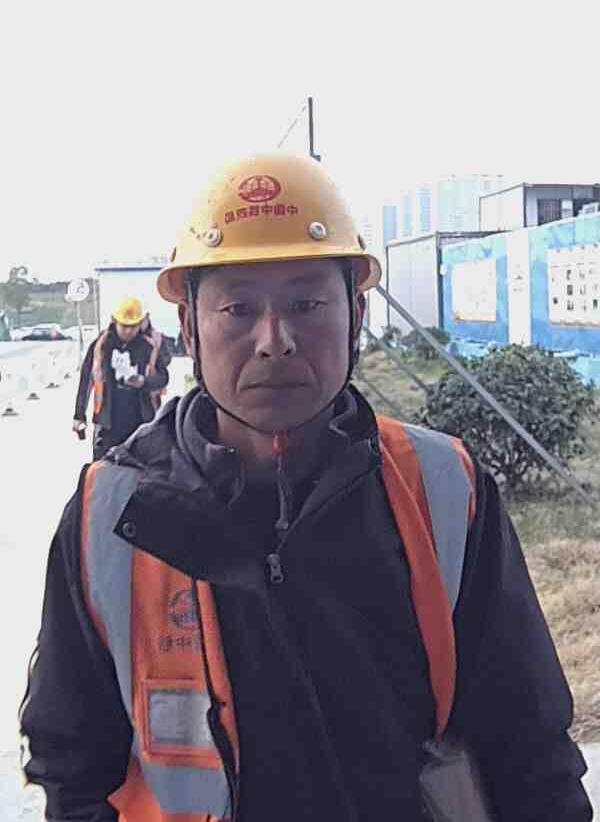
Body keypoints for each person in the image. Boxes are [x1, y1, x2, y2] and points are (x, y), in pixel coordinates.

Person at [20, 153, 592, 821]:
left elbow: (529, 748)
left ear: (356, 314)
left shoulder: (444, 490)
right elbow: (70, 766)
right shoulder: (114, 515)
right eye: (237, 308)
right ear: (189, 328)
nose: (275, 340)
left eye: (307, 303)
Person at [71, 295, 171, 459]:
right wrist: (79, 415)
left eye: (133, 326)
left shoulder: (148, 346)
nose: (128, 331)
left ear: (141, 323)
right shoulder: (101, 346)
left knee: (141, 471)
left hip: (141, 423)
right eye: (124, 326)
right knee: (103, 469)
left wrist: (144, 382)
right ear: (114, 321)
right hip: (107, 424)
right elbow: (86, 380)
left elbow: (163, 378)